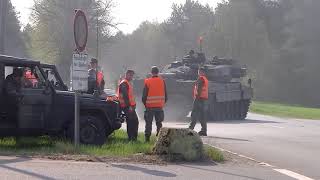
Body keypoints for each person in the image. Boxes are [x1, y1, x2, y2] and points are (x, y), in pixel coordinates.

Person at [142, 66, 168, 142]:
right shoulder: (162, 81)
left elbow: (144, 96)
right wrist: (162, 103)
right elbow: (166, 95)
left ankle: (147, 139)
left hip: (149, 107)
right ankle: (159, 139)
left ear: (151, 72)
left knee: (148, 123)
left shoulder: (148, 81)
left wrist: (146, 105)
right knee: (159, 123)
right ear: (158, 72)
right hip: (159, 107)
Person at [117, 70, 139, 141]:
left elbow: (130, 96)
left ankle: (133, 138)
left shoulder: (127, 83)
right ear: (126, 74)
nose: (132, 77)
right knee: (131, 122)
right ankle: (131, 138)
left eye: (132, 75)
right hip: (127, 106)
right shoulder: (124, 83)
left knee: (134, 121)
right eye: (131, 75)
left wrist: (133, 105)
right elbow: (125, 96)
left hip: (130, 106)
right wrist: (129, 106)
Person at [188, 67, 208, 136]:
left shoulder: (201, 79)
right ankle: (204, 131)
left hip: (199, 99)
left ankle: (190, 129)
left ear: (201, 72)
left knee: (194, 114)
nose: (198, 73)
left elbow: (199, 89)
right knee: (202, 116)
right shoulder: (205, 79)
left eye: (199, 71)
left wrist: (197, 98)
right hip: (203, 99)